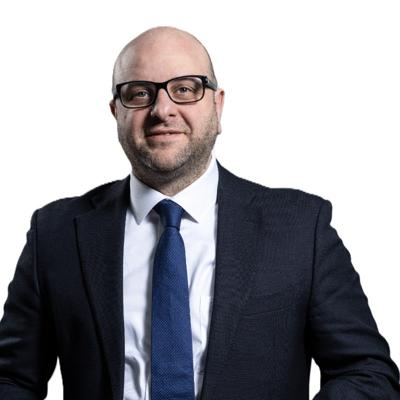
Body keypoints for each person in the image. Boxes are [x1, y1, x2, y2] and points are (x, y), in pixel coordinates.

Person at [0, 26, 399, 400]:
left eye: (185, 89)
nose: (162, 109)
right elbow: (11, 378)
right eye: (139, 93)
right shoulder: (55, 233)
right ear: (116, 112)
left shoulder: (300, 228)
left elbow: (366, 372)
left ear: (217, 105)